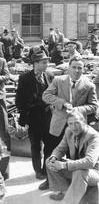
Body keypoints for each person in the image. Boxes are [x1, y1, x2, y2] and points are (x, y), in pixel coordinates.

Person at [40, 55, 98, 190]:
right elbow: (46, 96)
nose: (77, 71)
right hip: (59, 124)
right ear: (68, 68)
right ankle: (50, 180)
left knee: (75, 155)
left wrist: (79, 109)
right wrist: (63, 103)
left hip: (77, 126)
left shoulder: (89, 85)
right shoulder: (58, 80)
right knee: (52, 151)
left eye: (80, 68)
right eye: (74, 67)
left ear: (83, 69)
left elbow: (94, 106)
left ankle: (73, 185)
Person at [15, 50, 54, 180]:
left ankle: (46, 168)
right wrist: (25, 114)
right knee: (36, 145)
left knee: (49, 143)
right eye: (44, 62)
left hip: (48, 116)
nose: (47, 64)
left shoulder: (50, 75)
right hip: (33, 117)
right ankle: (38, 170)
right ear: (35, 63)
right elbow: (19, 100)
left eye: (47, 62)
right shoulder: (25, 78)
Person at [46, 110, 99, 204]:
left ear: (84, 121)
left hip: (95, 172)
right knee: (49, 161)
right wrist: (53, 158)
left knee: (80, 172)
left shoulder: (93, 136)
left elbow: (90, 162)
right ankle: (64, 192)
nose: (73, 127)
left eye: (77, 123)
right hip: (78, 168)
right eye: (70, 124)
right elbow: (60, 149)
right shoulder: (68, 131)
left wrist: (64, 165)